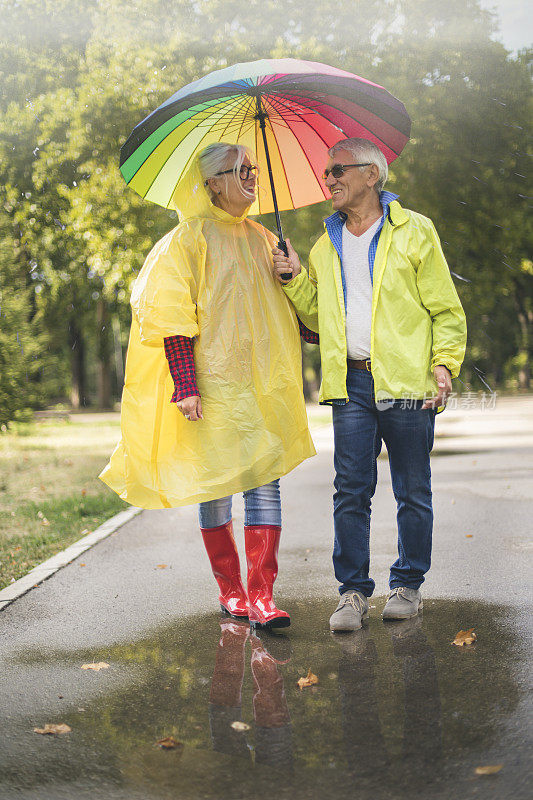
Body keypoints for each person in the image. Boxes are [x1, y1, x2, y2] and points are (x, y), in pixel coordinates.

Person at [100, 142, 316, 629]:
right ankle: (231, 591)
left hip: (264, 389)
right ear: (212, 182)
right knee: (215, 488)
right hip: (213, 391)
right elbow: (172, 317)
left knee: (265, 485)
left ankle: (263, 595)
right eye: (240, 169)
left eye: (254, 168)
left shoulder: (266, 239)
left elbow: (309, 327)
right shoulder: (186, 243)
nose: (251, 176)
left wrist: (295, 276)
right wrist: (186, 384)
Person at [272, 137, 467, 630]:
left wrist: (444, 363)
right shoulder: (323, 245)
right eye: (327, 172)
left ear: (371, 175)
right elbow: (320, 319)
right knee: (351, 491)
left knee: (412, 490)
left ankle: (407, 585)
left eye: (338, 170)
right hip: (351, 385)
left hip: (406, 383)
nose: (329, 180)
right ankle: (353, 592)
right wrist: (295, 279)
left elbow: (445, 308)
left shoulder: (415, 232)